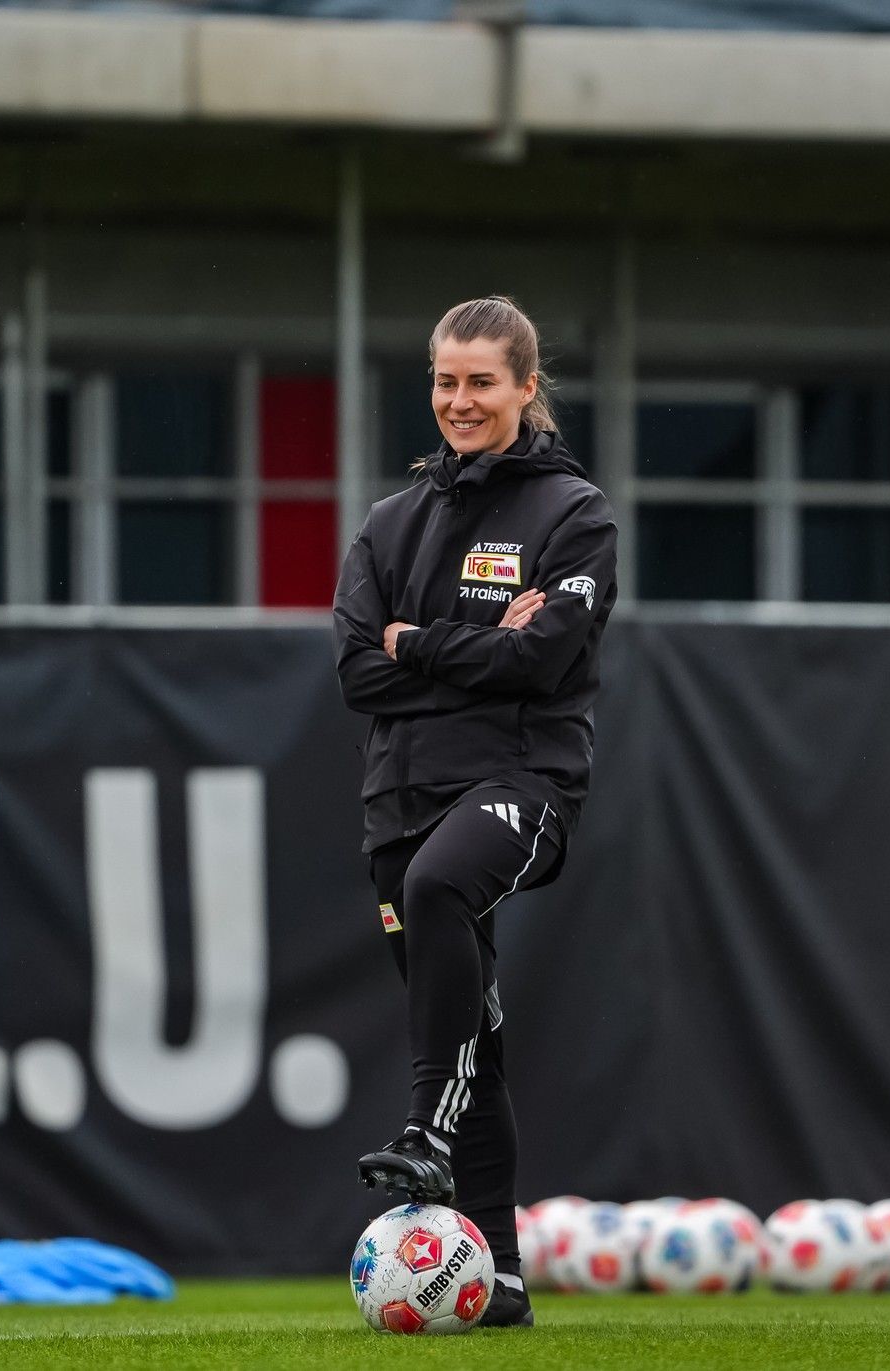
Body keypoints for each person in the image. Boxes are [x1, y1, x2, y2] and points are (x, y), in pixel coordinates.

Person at [332, 296, 617, 1329]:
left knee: (441, 883)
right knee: (473, 1033)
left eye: (481, 382)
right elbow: (357, 673)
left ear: (525, 387)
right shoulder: (387, 523)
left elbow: (543, 660)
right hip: (398, 797)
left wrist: (418, 641)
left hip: (522, 782)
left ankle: (424, 1132)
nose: (460, 400)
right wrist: (477, 647)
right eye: (445, 381)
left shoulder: (574, 513)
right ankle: (499, 1275)